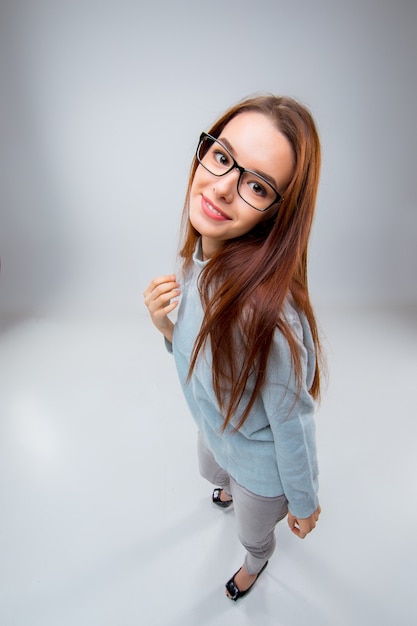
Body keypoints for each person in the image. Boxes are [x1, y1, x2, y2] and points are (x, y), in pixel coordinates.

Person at [143, 94, 323, 602]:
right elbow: (203, 361)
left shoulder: (268, 318)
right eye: (222, 157)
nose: (221, 189)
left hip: (260, 464)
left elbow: (294, 423)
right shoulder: (199, 260)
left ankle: (255, 562)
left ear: (275, 213)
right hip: (216, 430)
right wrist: (166, 329)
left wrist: (304, 503)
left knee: (253, 528)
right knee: (209, 471)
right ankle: (225, 488)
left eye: (256, 185)